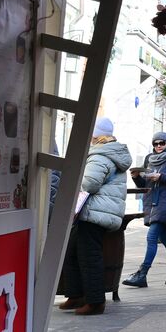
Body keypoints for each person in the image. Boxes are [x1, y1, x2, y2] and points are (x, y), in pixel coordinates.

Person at [58, 117, 131, 316]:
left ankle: (95, 301)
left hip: (95, 212)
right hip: (95, 211)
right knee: (73, 251)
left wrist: (74, 179)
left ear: (95, 135)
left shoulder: (100, 156)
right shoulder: (107, 154)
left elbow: (89, 183)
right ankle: (76, 295)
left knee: (89, 256)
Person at [122, 131, 166, 288]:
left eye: (162, 143)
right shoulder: (149, 159)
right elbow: (144, 186)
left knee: (152, 237)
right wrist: (136, 177)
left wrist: (161, 177)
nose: (159, 146)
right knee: (165, 238)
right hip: (152, 203)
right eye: (156, 144)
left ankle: (142, 274)